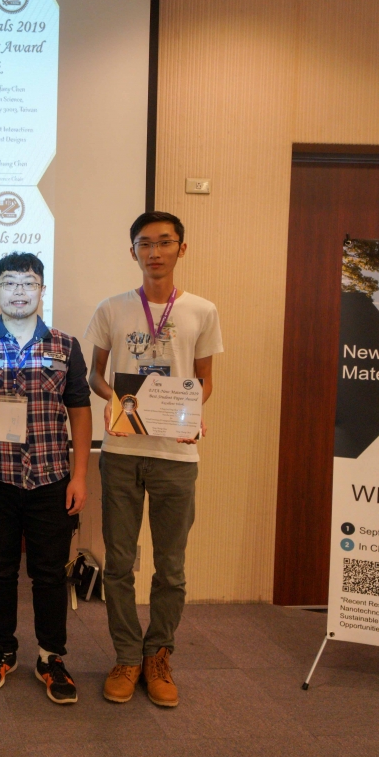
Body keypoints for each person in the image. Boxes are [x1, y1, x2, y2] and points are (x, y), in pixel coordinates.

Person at [85, 211, 223, 708]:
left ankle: (158, 655)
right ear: (133, 252)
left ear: (181, 248)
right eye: (145, 243)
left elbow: (204, 381)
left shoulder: (202, 311)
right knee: (119, 564)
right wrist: (114, 402)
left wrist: (191, 412)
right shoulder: (112, 309)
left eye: (165, 242)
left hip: (175, 457)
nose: (155, 252)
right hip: (122, 453)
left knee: (171, 568)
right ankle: (127, 656)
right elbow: (95, 375)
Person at [0, 252, 92, 705]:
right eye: (10, 283)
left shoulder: (65, 346)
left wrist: (80, 476)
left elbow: (80, 412)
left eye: (29, 283)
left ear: (42, 290)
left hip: (52, 480)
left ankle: (51, 656)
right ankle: (2, 649)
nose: (19, 292)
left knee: (50, 574)